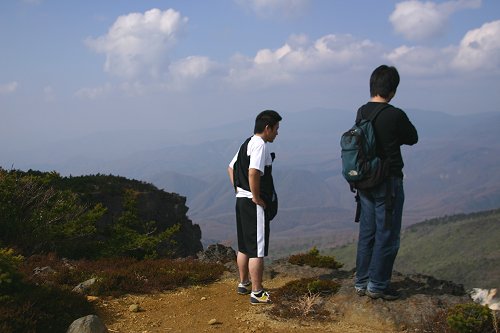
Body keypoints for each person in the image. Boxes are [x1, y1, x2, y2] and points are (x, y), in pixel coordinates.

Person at [354, 65, 418, 301]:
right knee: (387, 234)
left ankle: (361, 282)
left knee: (367, 233)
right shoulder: (395, 114)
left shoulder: (361, 111)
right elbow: (413, 138)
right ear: (393, 90)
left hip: (364, 181)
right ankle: (377, 285)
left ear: (372, 86)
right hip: (388, 181)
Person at [227, 110, 281, 305]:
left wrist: (238, 190)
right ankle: (257, 292)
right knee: (257, 249)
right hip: (252, 202)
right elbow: (253, 172)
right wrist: (256, 197)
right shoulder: (260, 145)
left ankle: (244, 283)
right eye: (276, 129)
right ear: (267, 128)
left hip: (241, 200)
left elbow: (231, 168)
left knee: (244, 246)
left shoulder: (247, 143)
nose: (277, 133)